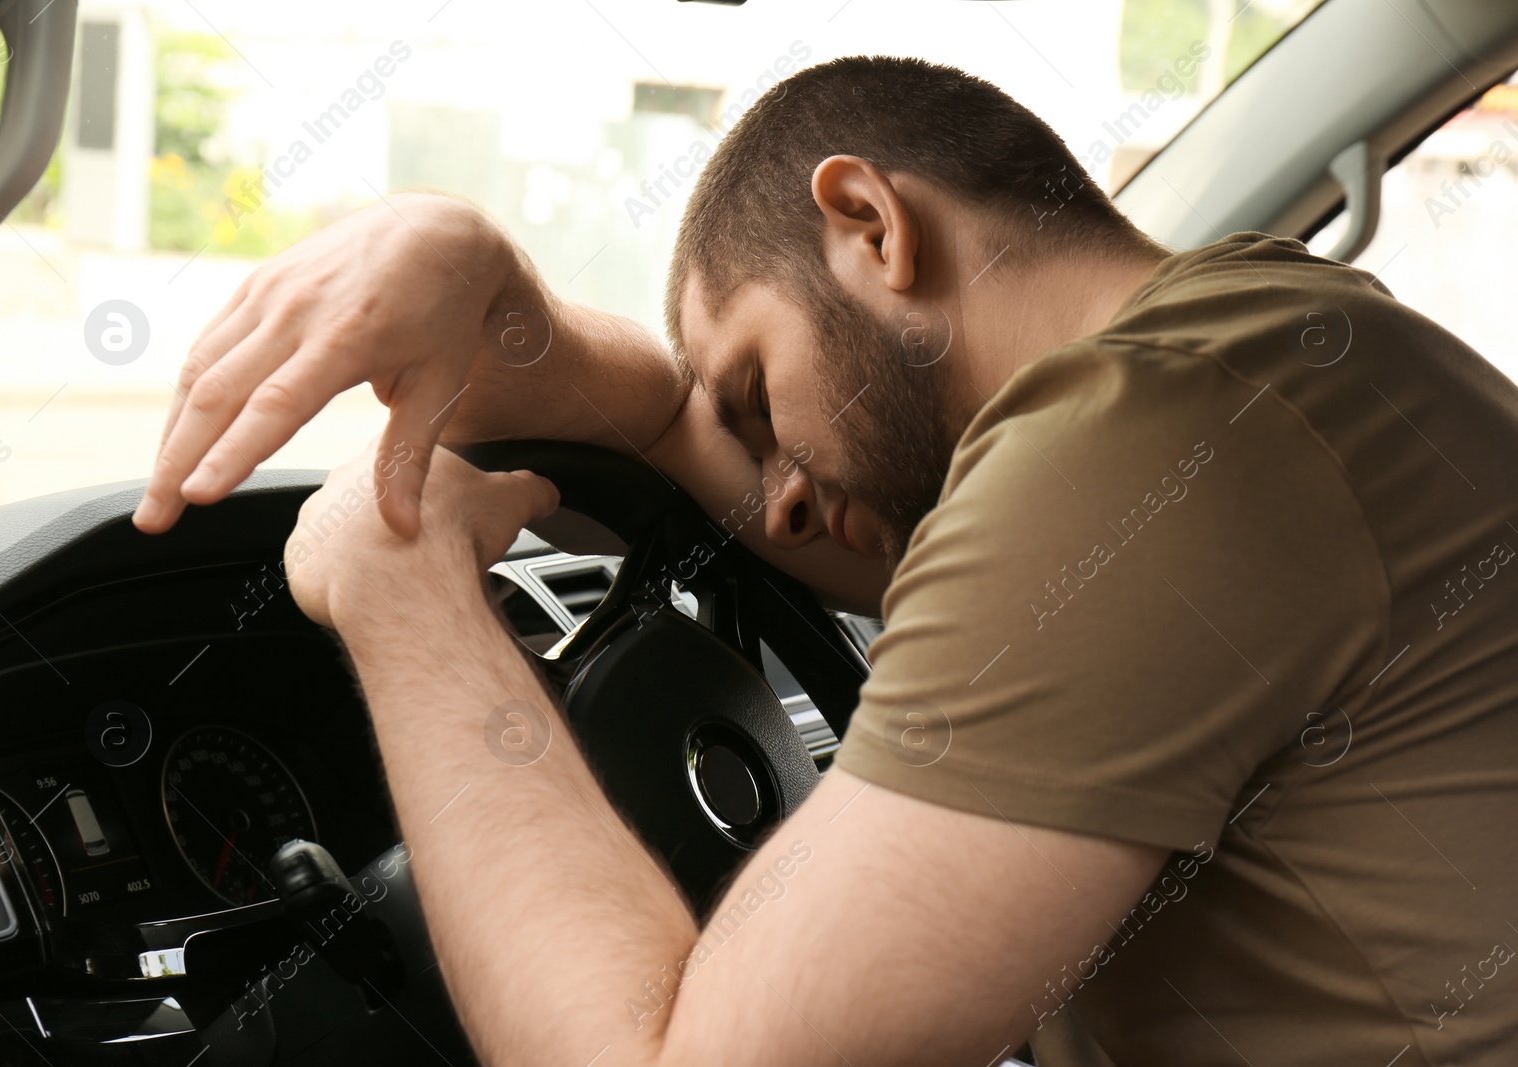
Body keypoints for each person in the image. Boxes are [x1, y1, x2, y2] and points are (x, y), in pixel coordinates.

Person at [133, 57, 1518, 1066]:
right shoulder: (1280, 340)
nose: (776, 505)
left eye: (761, 395)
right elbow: (673, 424)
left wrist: (404, 593)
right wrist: (485, 271)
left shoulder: (1132, 455)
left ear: (871, 226)